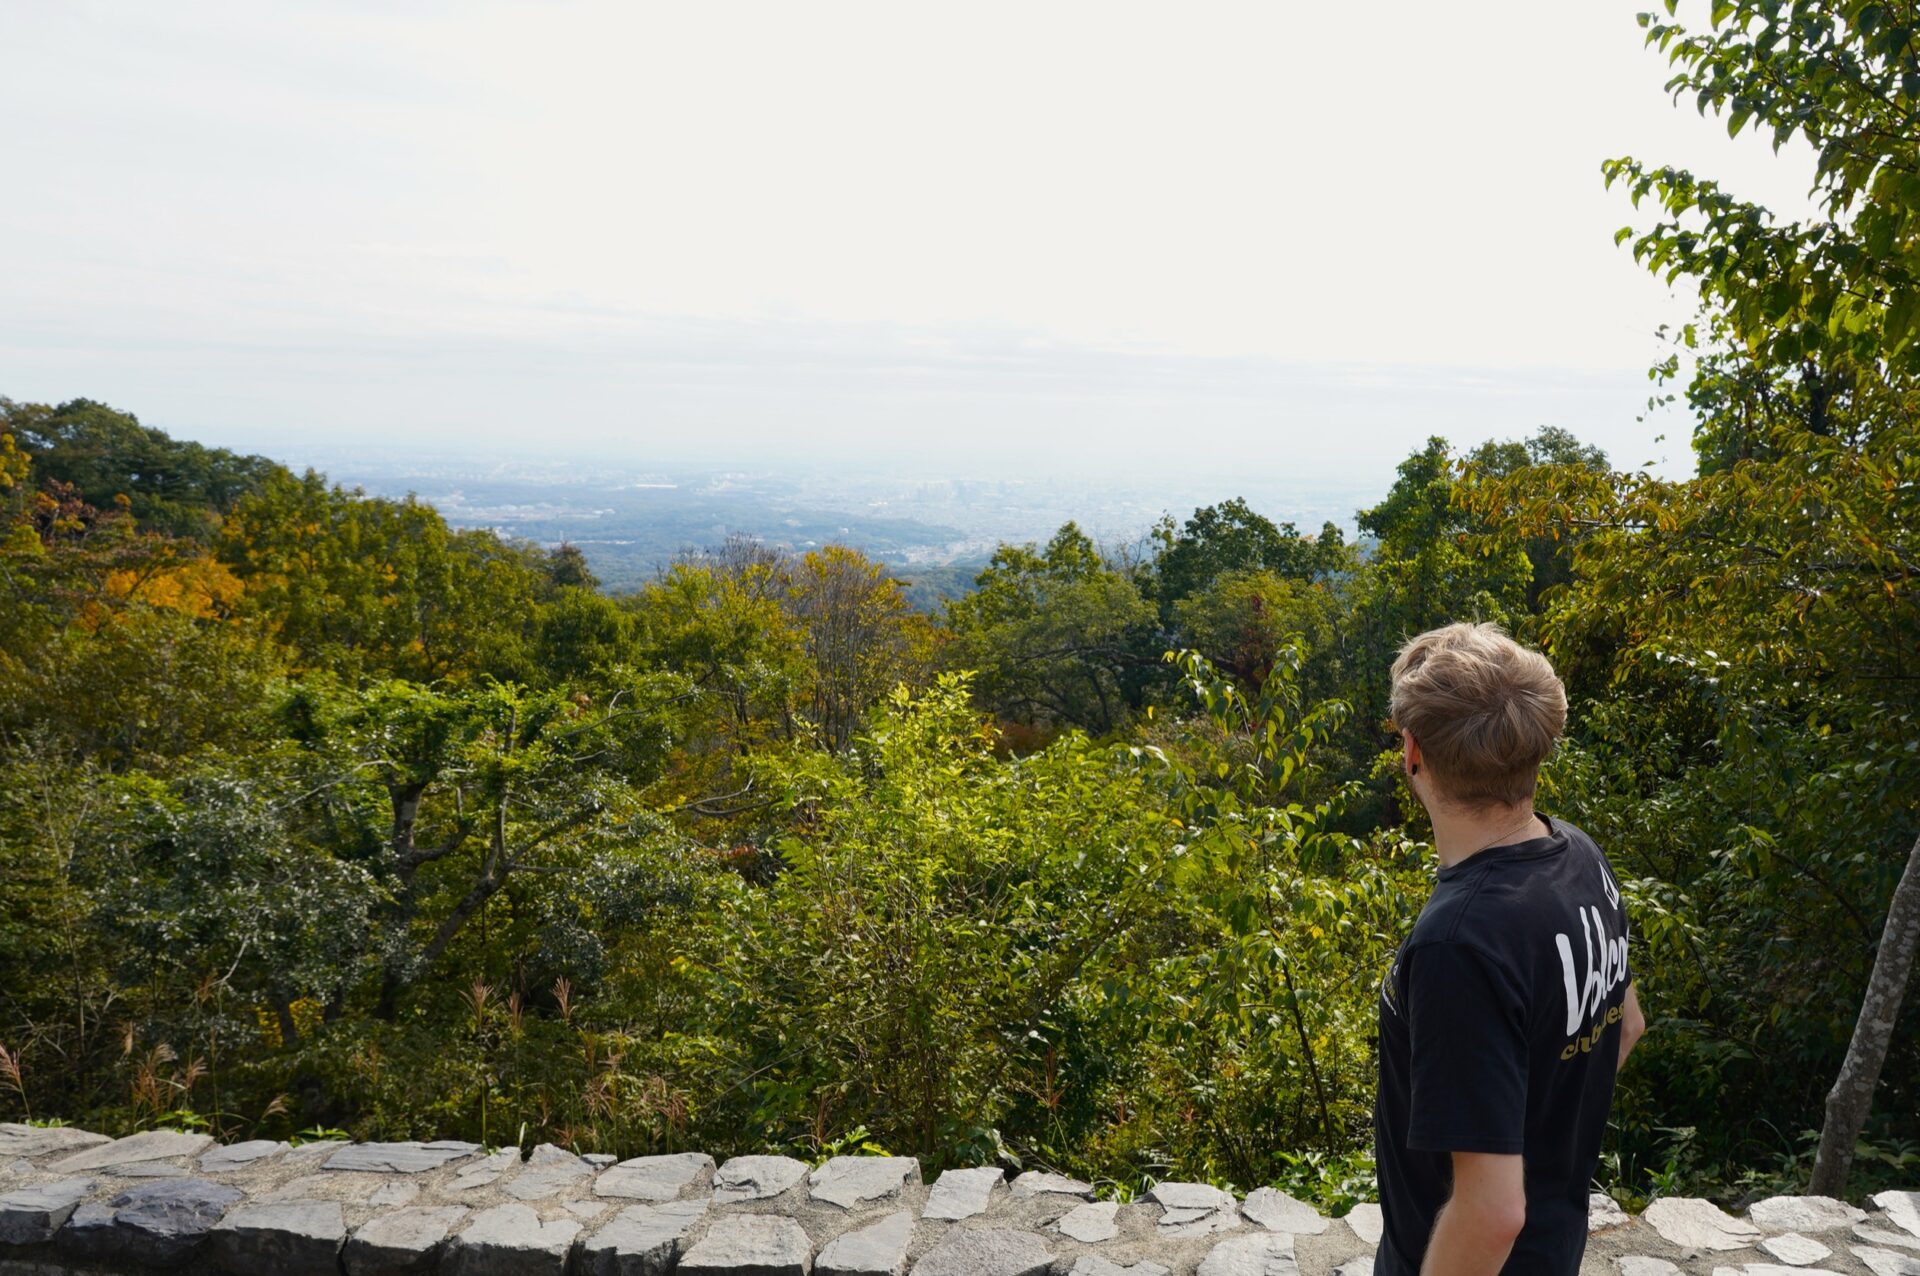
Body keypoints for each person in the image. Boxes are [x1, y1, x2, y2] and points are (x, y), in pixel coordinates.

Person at [1373, 622, 1645, 1276]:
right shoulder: (1579, 856)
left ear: (1412, 751)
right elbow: (1627, 1023)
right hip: (1553, 1242)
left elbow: (1491, 1213)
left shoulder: (1458, 943)